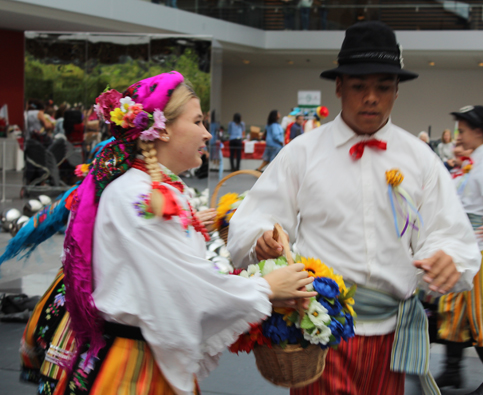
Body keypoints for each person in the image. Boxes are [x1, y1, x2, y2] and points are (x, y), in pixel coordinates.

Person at [227, 21, 481, 395]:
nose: (371, 97)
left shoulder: (420, 159)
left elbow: (448, 234)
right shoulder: (303, 152)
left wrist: (446, 258)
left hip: (392, 336)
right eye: (359, 86)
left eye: (382, 87)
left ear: (396, 91)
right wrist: (262, 239)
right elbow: (256, 218)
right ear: (339, 86)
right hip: (321, 330)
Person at [51, 72, 316, 395]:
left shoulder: (151, 189)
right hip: (135, 372)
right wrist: (265, 288)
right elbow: (184, 287)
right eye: (198, 122)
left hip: (143, 358)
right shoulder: (143, 196)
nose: (207, 133)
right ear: (161, 129)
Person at [436, 105, 483, 394]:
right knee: (454, 308)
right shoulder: (476, 159)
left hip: (479, 249)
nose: (459, 135)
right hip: (465, 246)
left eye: (463, 130)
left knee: (478, 311)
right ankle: (452, 371)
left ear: (478, 131)